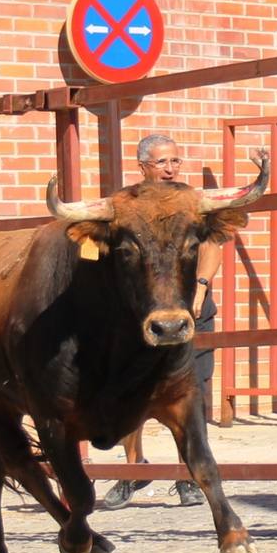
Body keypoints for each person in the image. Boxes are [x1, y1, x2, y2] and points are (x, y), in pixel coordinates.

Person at [99, 134, 221, 510]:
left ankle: (188, 474)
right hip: (144, 315)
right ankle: (134, 470)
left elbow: (213, 246)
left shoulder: (192, 202)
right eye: (161, 162)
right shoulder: (128, 206)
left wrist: (199, 291)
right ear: (143, 168)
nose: (170, 169)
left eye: (175, 161)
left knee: (191, 391)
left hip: (190, 310)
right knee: (131, 393)